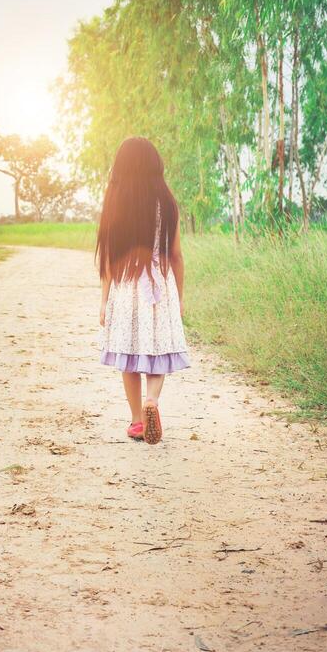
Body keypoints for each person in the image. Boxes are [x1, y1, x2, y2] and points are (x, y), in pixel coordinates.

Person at [96, 137, 189, 445]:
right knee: (157, 349)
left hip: (125, 286)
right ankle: (152, 400)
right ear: (155, 165)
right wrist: (180, 297)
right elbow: (175, 255)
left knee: (128, 354)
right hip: (159, 286)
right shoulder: (167, 201)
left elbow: (109, 257)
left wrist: (103, 300)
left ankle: (137, 420)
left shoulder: (114, 200)